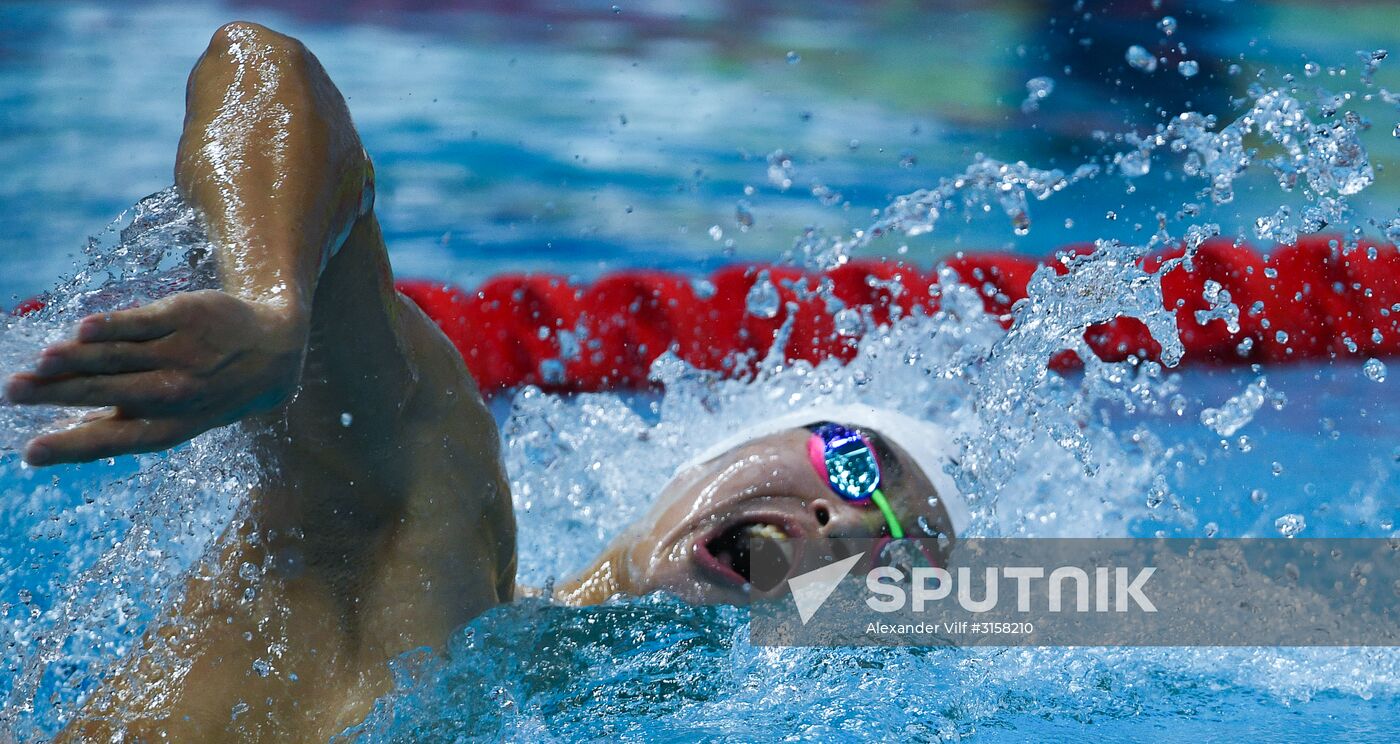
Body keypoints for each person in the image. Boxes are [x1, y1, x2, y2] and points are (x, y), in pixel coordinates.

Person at [4, 22, 962, 740]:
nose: (850, 521)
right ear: (705, 463)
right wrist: (270, 306)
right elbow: (260, 68)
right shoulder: (424, 515)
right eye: (854, 461)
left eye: (902, 555)